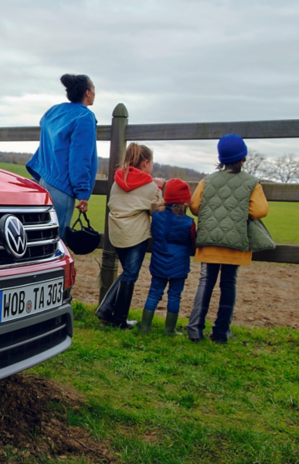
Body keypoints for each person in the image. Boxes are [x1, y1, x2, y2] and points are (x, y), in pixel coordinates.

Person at [186, 134, 269, 344]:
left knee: (205, 282)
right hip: (236, 243)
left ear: (220, 158)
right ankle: (221, 331)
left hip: (210, 241)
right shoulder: (252, 183)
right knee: (228, 284)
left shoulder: (208, 180)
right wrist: (240, 210)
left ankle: (195, 329)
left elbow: (194, 206)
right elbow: (261, 210)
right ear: (243, 157)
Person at [98, 143, 164, 328]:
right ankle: (119, 320)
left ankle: (106, 310)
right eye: (151, 162)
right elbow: (156, 210)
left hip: (117, 233)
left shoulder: (118, 180)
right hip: (136, 235)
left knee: (127, 272)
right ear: (145, 163)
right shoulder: (149, 185)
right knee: (130, 275)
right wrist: (159, 188)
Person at [26, 74, 98, 235]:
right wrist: (83, 193)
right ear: (87, 93)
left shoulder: (54, 111)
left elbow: (44, 125)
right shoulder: (85, 116)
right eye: (93, 89)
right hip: (62, 187)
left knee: (42, 234)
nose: (94, 93)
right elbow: (80, 158)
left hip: (44, 180)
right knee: (57, 239)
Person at [139, 179, 196, 335]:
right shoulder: (189, 223)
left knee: (154, 293)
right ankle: (169, 329)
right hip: (179, 264)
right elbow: (192, 241)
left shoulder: (156, 217)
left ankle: (144, 327)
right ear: (185, 200)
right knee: (174, 295)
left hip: (158, 261)